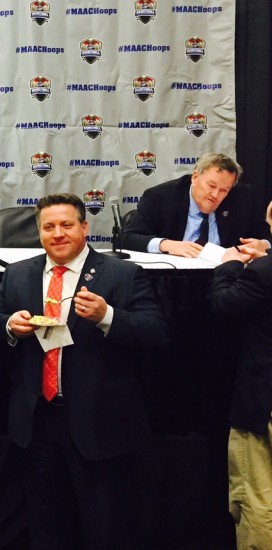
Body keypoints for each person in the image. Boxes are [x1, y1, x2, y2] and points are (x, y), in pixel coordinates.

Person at [0, 193, 167, 548]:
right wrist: (9, 324)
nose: (58, 234)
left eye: (67, 225)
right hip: (38, 422)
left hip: (100, 424)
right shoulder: (19, 273)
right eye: (48, 227)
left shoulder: (123, 274)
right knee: (46, 527)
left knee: (106, 528)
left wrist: (107, 316)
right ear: (39, 232)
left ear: (85, 227)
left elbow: (156, 331)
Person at [210, 237, 272, 549]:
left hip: (264, 402)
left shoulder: (263, 272)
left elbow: (225, 303)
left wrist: (229, 265)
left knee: (258, 496)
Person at [122, 153, 269, 257]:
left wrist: (265, 245)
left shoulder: (244, 198)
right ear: (195, 177)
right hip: (173, 280)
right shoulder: (161, 197)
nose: (216, 195)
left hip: (224, 279)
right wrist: (166, 245)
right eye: (211, 186)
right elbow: (127, 239)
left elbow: (265, 236)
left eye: (224, 190)